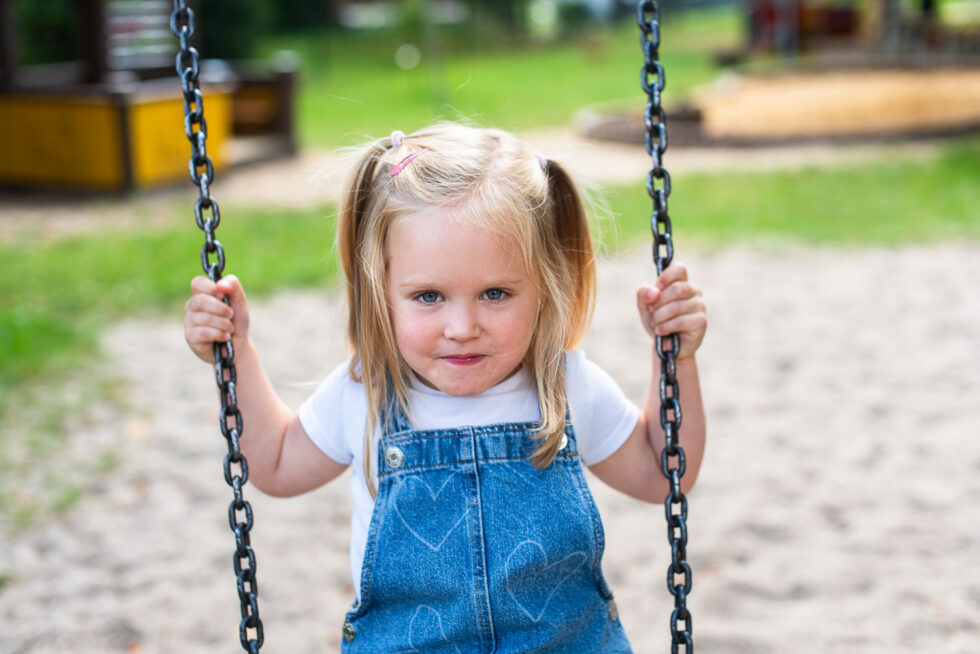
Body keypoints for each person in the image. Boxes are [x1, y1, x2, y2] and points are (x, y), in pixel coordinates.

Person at [184, 123, 707, 652]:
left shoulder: (566, 385)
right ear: (381, 292)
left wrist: (676, 361)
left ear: (546, 286)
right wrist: (236, 356)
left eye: (496, 293)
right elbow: (273, 463)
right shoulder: (365, 395)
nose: (462, 326)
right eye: (429, 296)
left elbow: (664, 474)